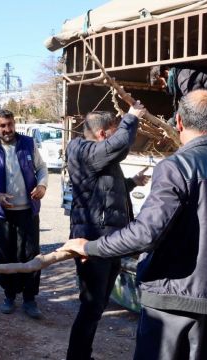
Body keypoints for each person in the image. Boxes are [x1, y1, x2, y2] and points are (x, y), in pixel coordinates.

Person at [61, 89, 207, 360]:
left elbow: (145, 233)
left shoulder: (176, 167)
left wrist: (90, 247)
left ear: (178, 121)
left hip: (172, 304)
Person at [64, 104, 149, 360]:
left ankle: (82, 354)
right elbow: (119, 145)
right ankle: (77, 357)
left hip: (108, 241)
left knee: (97, 305)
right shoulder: (85, 151)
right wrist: (131, 117)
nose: (115, 136)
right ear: (103, 134)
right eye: (113, 132)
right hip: (91, 241)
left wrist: (132, 182)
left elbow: (103, 188)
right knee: (91, 307)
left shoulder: (96, 156)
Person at [0, 109, 48, 319]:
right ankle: (9, 295)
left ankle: (29, 298)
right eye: (2, 125)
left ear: (14, 123)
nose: (7, 129)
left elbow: (42, 168)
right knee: (6, 255)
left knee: (30, 255)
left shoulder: (28, 143)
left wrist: (42, 185)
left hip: (28, 212)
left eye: (9, 124)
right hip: (4, 214)